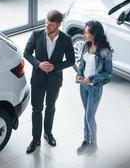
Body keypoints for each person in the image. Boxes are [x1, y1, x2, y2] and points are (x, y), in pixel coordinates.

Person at [24, 10, 75, 154]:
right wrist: (38, 64)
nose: (47, 26)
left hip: (54, 80)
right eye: (46, 22)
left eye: (50, 24)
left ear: (58, 24)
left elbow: (71, 60)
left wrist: (56, 67)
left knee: (50, 107)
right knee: (36, 109)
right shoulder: (36, 35)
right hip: (38, 80)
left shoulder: (66, 39)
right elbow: (27, 53)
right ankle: (35, 139)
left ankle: (48, 133)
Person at [75, 20, 113, 153]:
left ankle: (93, 143)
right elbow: (81, 64)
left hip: (95, 87)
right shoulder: (86, 46)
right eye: (84, 32)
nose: (84, 35)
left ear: (95, 34)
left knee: (89, 116)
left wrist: (91, 79)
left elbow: (108, 74)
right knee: (86, 114)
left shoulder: (104, 52)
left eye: (86, 33)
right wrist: (79, 75)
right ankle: (86, 139)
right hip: (83, 86)